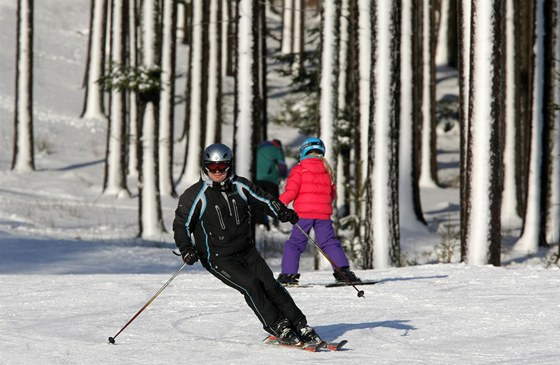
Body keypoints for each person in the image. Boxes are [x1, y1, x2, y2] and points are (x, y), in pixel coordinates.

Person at [172, 143, 320, 345]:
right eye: (212, 167)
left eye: (222, 167)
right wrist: (186, 249)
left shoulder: (240, 186)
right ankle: (278, 326)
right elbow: (181, 225)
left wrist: (281, 211)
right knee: (251, 285)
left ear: (229, 166)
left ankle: (300, 324)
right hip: (218, 257)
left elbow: (264, 200)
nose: (217, 172)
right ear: (205, 166)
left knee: (271, 285)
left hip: (246, 250)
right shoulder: (195, 195)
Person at [276, 137, 361, 285]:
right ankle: (343, 272)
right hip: (323, 215)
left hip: (303, 215)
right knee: (329, 242)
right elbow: (332, 194)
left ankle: (288, 274)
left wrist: (277, 205)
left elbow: (291, 191)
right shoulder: (327, 170)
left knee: (295, 244)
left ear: (303, 151)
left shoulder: (299, 169)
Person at [254, 139, 288, 230]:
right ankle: (274, 221)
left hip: (257, 178)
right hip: (271, 179)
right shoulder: (276, 149)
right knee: (274, 200)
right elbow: (281, 164)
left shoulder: (259, 148)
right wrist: (283, 175)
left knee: (259, 200)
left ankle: (260, 222)